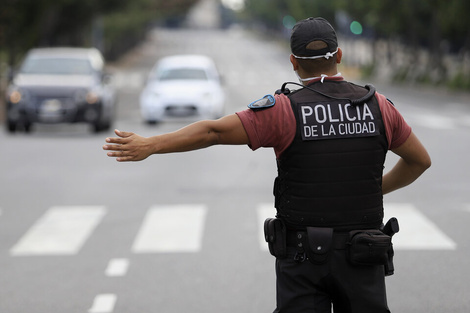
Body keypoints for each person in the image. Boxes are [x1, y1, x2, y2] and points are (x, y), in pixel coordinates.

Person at [103, 17, 431, 313]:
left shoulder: (283, 111)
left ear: (293, 63)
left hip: (304, 258)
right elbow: (419, 161)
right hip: (363, 254)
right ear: (339, 56)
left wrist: (150, 145)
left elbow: (212, 132)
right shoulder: (378, 107)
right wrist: (375, 188)